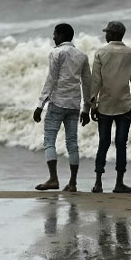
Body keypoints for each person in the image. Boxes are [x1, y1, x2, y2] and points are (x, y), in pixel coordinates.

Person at [33, 23, 91, 192]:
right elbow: (87, 83)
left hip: (57, 102)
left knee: (49, 140)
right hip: (74, 105)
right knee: (72, 143)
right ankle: (72, 183)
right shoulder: (82, 56)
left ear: (61, 35)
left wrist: (40, 104)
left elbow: (51, 80)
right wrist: (86, 108)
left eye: (55, 34)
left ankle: (53, 179)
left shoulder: (56, 53)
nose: (53, 37)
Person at [89, 21, 131, 194]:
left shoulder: (101, 52)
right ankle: (119, 183)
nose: (105, 35)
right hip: (124, 104)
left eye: (107, 32)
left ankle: (98, 183)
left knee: (103, 143)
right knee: (121, 144)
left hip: (104, 104)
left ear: (112, 34)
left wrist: (92, 104)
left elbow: (96, 81)